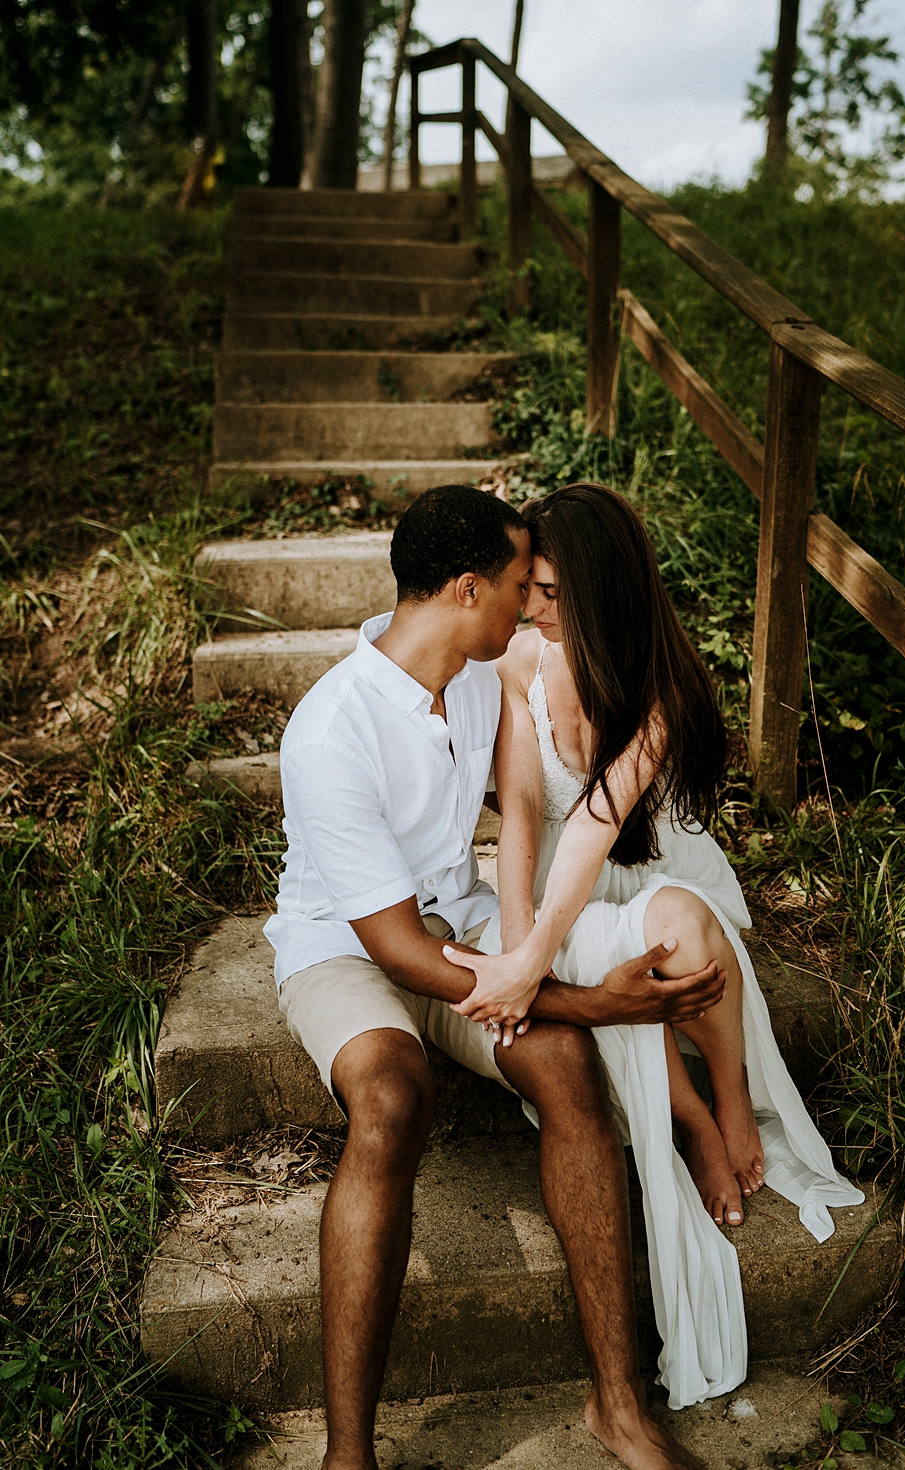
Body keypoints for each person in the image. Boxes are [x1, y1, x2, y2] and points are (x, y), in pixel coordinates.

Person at [264, 484, 726, 1470]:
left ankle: (619, 1406)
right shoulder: (328, 730)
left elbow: (588, 720)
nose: (533, 605)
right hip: (346, 945)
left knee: (561, 1065)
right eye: (522, 586)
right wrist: (595, 1000)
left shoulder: (481, 672)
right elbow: (394, 952)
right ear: (469, 589)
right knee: (391, 1096)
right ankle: (349, 1454)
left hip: (454, 920)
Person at [445, 482, 865, 1410]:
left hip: (644, 865)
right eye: (528, 586)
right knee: (606, 981)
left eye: (549, 589)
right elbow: (521, 812)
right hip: (559, 882)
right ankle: (688, 1120)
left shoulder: (659, 680)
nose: (531, 604)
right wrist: (521, 947)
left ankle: (734, 1110)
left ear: (596, 590)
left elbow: (598, 823)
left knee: (681, 929)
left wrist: (535, 954)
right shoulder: (522, 659)